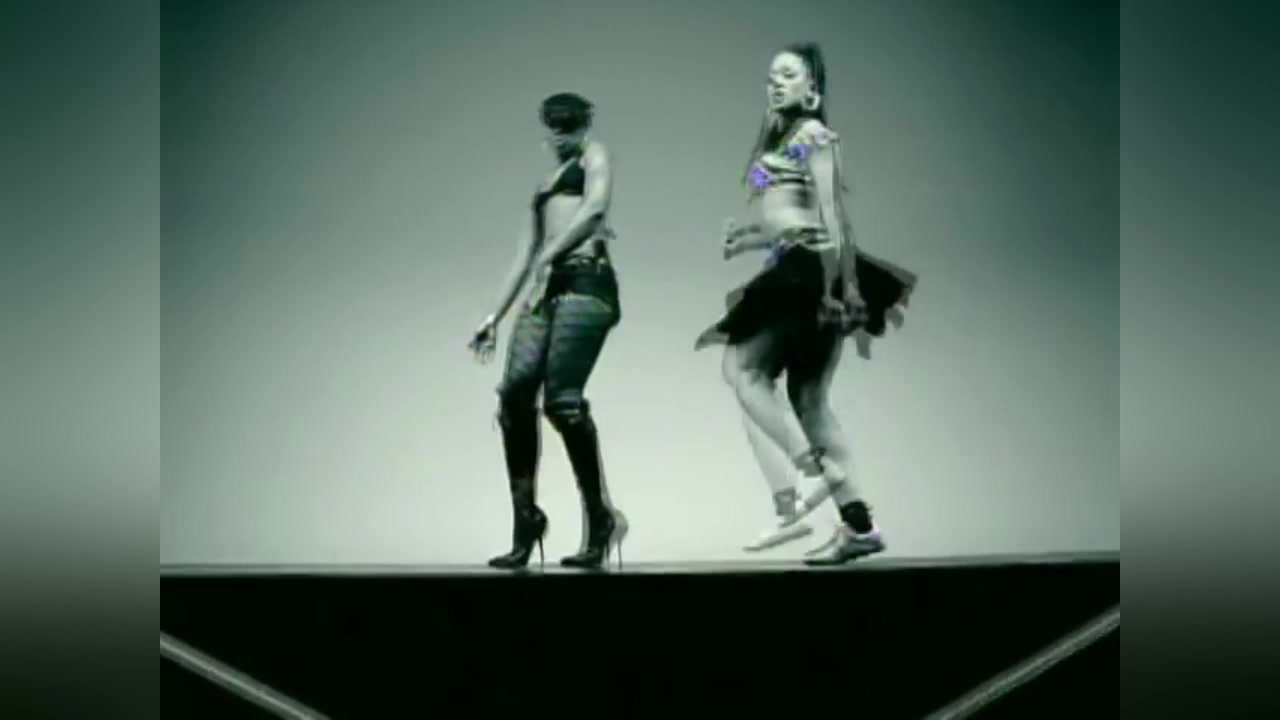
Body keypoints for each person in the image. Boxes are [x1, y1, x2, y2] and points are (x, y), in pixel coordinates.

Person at [695, 43, 918, 565]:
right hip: (795, 262)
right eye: (770, 76)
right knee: (809, 399)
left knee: (742, 369)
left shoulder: (814, 135)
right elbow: (785, 216)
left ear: (812, 90)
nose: (774, 82)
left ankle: (812, 471)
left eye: (788, 75)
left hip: (812, 268)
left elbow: (832, 214)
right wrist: (746, 240)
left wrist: (846, 289)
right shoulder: (778, 146)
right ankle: (859, 525)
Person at [469, 92, 627, 571]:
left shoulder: (594, 156)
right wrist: (493, 317)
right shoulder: (542, 186)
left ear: (584, 124)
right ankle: (526, 519)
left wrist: (551, 254)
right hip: (547, 287)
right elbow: (525, 255)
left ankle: (600, 518)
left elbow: (595, 209)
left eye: (569, 125)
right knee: (515, 395)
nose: (561, 134)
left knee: (562, 402)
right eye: (554, 127)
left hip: (586, 283)